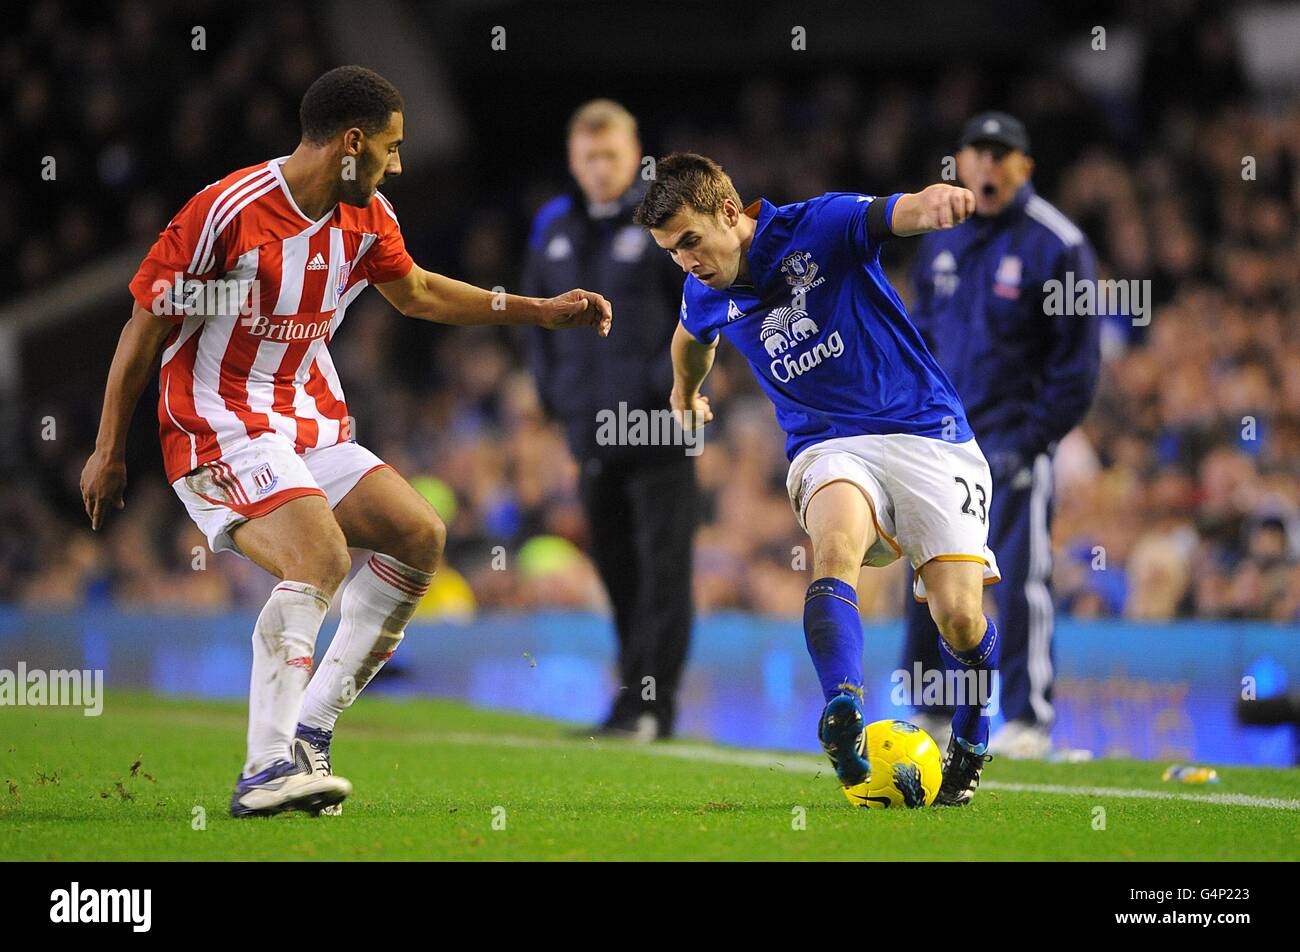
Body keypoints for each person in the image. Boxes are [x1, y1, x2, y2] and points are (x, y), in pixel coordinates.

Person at [79, 66, 611, 818]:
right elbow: (146, 326)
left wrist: (535, 311)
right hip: (217, 422)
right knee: (319, 556)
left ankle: (308, 733)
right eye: (392, 148)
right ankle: (264, 769)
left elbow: (418, 292)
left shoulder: (367, 217)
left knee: (418, 534)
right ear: (352, 143)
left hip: (306, 421)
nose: (399, 164)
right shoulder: (228, 213)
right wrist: (108, 448)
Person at [635, 153, 1000, 806]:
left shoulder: (819, 225)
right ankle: (844, 707)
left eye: (690, 241)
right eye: (670, 251)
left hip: (926, 430)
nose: (685, 261)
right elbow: (690, 339)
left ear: (728, 212)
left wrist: (933, 204)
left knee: (960, 618)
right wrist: (683, 393)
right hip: (828, 444)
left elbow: (894, 212)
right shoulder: (703, 291)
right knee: (834, 547)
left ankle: (971, 739)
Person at [902, 112, 1099, 758]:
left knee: (1017, 577)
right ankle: (930, 709)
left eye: (1001, 154)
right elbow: (920, 340)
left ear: (1025, 168)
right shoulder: (941, 241)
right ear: (959, 164)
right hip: (941, 443)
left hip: (1013, 444)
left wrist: (1035, 440)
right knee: (930, 577)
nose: (987, 164)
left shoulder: (1058, 244)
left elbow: (1078, 366)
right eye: (977, 153)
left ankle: (1027, 716)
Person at [523, 100, 695, 740]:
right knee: (618, 572)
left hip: (659, 427)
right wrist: (554, 398)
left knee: (662, 572)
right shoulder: (554, 226)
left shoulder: (665, 221)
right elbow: (537, 318)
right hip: (590, 431)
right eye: (589, 156)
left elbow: (698, 305)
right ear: (574, 158)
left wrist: (669, 386)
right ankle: (630, 704)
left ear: (635, 155)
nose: (600, 167)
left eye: (612, 156)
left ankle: (657, 708)